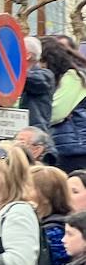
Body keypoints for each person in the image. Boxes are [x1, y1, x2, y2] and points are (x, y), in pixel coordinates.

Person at [44, 35, 86, 171]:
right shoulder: (60, 79)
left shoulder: (74, 78)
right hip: (63, 146)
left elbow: (55, 111)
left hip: (76, 148)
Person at [22, 36, 55, 131]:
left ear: (27, 55)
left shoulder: (45, 75)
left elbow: (37, 81)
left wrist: (9, 69)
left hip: (35, 135)